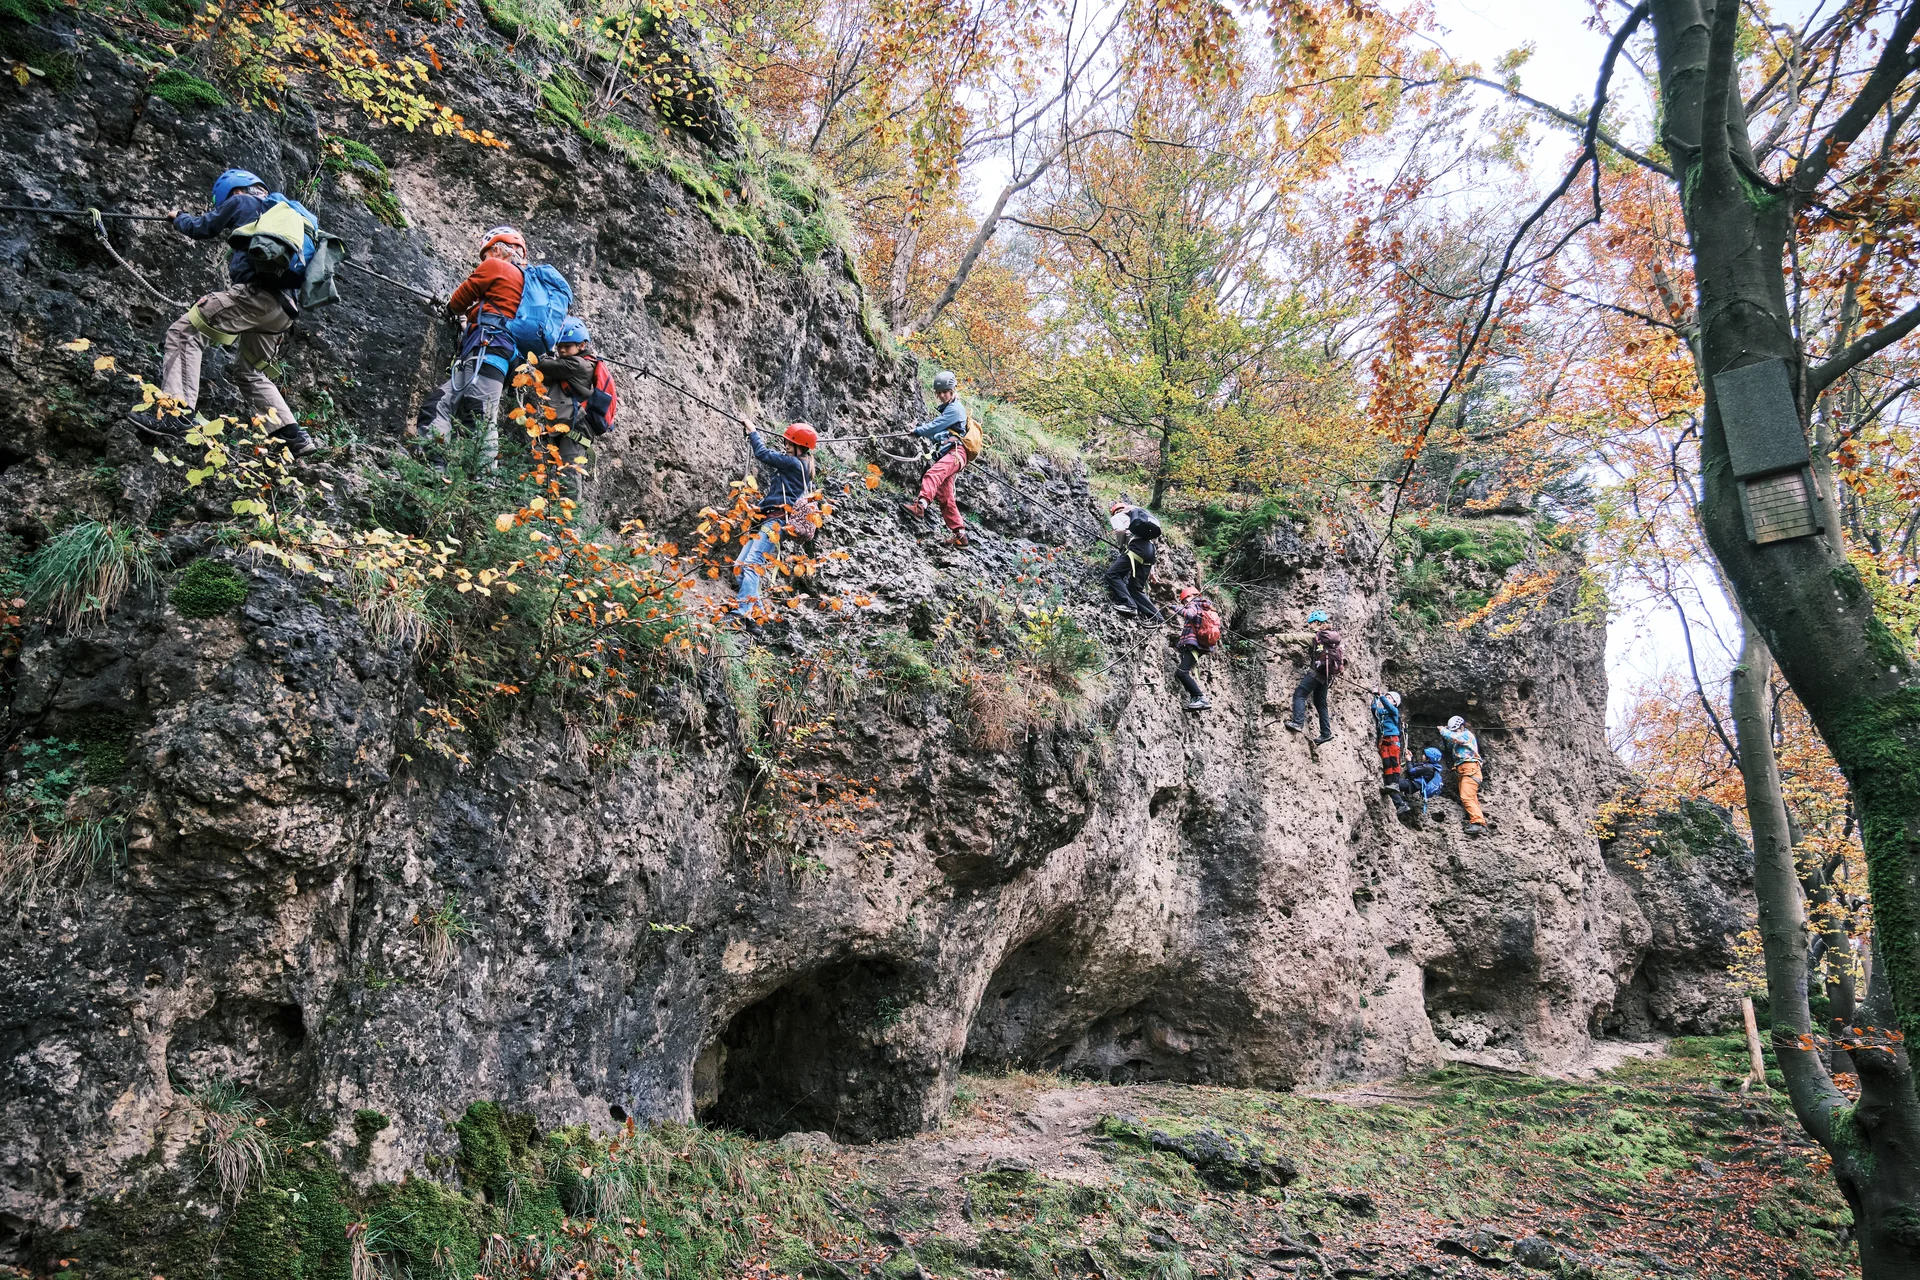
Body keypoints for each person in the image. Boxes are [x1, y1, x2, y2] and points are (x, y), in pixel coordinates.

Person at [148, 167, 315, 457]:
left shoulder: (241, 202)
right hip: (283, 311)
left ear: (234, 191)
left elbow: (203, 227)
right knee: (249, 371)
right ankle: (293, 436)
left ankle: (176, 412)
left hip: (255, 296)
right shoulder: (293, 219)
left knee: (184, 332)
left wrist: (179, 219)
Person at [416, 225, 527, 460]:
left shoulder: (497, 266)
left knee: (480, 418)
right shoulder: (523, 283)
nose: (483, 261)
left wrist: (452, 310)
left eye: (484, 255)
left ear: (497, 249)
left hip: (489, 349)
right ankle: (435, 471)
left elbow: (459, 299)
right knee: (438, 405)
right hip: (492, 352)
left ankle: (484, 487)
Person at [732, 421, 817, 637]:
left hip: (776, 521)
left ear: (800, 446)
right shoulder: (802, 463)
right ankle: (755, 619)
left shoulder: (793, 463)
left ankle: (742, 612)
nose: (786, 445)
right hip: (769, 519)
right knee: (740, 567)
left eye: (790, 443)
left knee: (751, 565)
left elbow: (762, 453)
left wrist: (752, 431)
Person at [529, 317, 614, 495]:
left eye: (567, 346)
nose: (561, 350)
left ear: (582, 345)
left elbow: (544, 366)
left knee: (569, 473)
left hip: (576, 427)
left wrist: (531, 349)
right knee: (539, 463)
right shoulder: (570, 365)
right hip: (562, 425)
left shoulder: (578, 364)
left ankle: (570, 521)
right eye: (559, 346)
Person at [899, 370, 970, 548]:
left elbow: (935, 427)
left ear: (952, 390)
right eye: (938, 393)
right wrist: (925, 431)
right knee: (945, 495)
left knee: (933, 474)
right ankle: (960, 535)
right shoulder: (950, 409)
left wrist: (918, 431)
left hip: (955, 453)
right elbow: (939, 432)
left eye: (944, 392)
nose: (941, 396)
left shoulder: (955, 409)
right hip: (951, 454)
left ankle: (920, 506)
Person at [1282, 610, 1343, 744]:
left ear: (1316, 622)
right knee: (1320, 703)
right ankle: (1326, 733)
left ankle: (1297, 723)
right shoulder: (1332, 637)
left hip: (1317, 673)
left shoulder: (1316, 636)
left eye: (1310, 623)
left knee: (1299, 694)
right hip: (1327, 675)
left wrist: (1278, 637)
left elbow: (1297, 637)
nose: (1309, 626)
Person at [1105, 501, 1162, 621]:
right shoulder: (1139, 516)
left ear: (1114, 511)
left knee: (1112, 574)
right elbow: (1151, 542)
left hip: (1137, 548)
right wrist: (1152, 572)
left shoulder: (1118, 516)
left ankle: (1129, 605)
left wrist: (1121, 547)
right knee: (1135, 588)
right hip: (1150, 550)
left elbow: (1120, 531)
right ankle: (1158, 618)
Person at [1168, 585, 1220, 711]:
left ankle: (1199, 698)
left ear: (1192, 596)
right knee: (1183, 672)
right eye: (1184, 601)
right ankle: (1195, 698)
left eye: (1186, 599)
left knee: (1181, 673)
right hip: (1202, 646)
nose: (1186, 603)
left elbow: (1190, 615)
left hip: (1193, 644)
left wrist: (1175, 607)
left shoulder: (1193, 604)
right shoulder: (1206, 608)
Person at [1438, 715, 1487, 836]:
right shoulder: (1457, 738)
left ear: (1462, 726)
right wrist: (1446, 734)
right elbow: (1450, 745)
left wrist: (1444, 731)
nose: (1454, 732)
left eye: (1456, 730)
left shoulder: (1467, 735)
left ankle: (1478, 823)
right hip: (1462, 771)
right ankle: (1479, 823)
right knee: (1471, 798)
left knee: (1466, 797)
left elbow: (1455, 738)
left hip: (1470, 769)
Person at [1371, 688, 1406, 799]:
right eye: (1387, 697)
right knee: (1386, 762)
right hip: (1384, 740)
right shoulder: (1383, 712)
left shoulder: (1394, 711)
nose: (1387, 699)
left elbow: (1388, 706)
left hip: (1392, 739)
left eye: (1390, 698)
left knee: (1394, 761)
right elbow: (1374, 709)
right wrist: (1376, 697)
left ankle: (1395, 783)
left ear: (1395, 703)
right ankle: (1389, 784)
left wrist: (1381, 696)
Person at [1399, 746, 1445, 822]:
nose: (1422, 755)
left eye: (1424, 755)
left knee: (1394, 784)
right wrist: (1411, 758)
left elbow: (1412, 771)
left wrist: (1408, 761)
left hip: (1411, 785)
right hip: (1413, 785)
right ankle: (1400, 803)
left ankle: (1400, 804)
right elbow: (1416, 766)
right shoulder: (1431, 767)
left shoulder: (1428, 768)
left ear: (1428, 759)